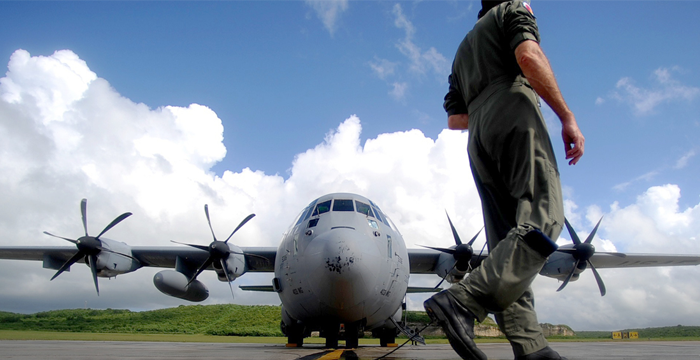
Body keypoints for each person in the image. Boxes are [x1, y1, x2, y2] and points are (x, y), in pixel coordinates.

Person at [423, 1, 585, 360]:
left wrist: (486, 111)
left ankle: (530, 345)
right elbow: (528, 56)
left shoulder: (462, 51)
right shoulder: (512, 10)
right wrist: (567, 116)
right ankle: (465, 300)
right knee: (545, 214)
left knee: (506, 243)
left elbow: (455, 119)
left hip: (477, 135)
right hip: (514, 109)